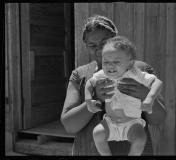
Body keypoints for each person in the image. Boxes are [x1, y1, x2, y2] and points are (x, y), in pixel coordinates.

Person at [61, 15, 167, 156]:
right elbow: (69, 125)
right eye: (92, 45)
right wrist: (96, 98)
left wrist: (143, 94)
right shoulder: (80, 75)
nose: (99, 49)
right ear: (86, 46)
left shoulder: (139, 70)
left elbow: (159, 119)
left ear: (115, 40)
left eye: (104, 43)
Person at [85, 36, 163, 156]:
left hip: (132, 122)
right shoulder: (103, 74)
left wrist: (150, 98)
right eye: (106, 62)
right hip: (110, 122)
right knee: (97, 133)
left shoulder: (136, 74)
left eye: (116, 62)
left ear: (130, 64)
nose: (110, 66)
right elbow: (90, 83)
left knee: (140, 138)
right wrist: (89, 99)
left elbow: (157, 83)